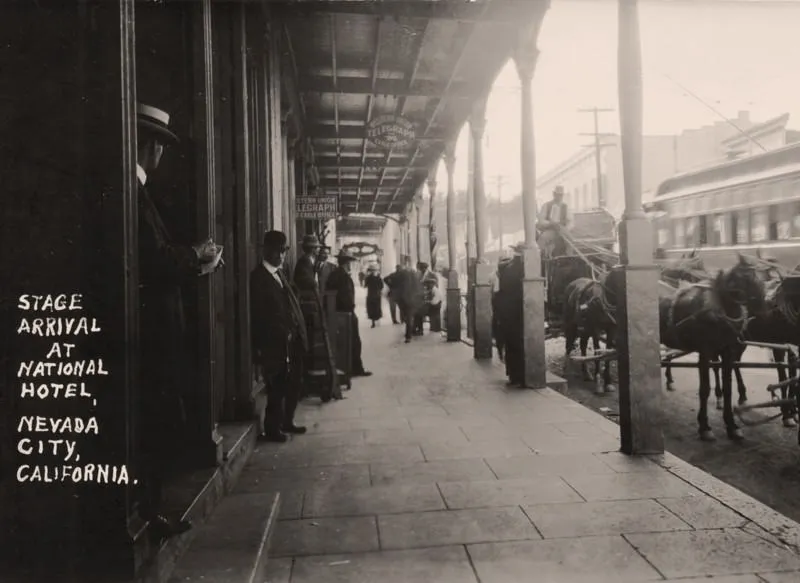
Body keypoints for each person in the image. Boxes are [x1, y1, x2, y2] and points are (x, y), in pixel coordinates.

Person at [136, 102, 222, 542]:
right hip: (148, 334)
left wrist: (193, 260)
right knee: (152, 421)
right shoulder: (132, 191)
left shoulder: (140, 192)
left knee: (156, 421)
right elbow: (152, 260)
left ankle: (151, 510)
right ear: (151, 146)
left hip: (154, 330)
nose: (161, 155)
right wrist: (196, 256)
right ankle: (148, 514)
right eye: (160, 146)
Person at [250, 230, 308, 443]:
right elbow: (258, 315)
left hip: (290, 341)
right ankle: (272, 429)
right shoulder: (258, 279)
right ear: (265, 251)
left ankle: (287, 421)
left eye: (283, 251)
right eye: (276, 251)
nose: (281, 256)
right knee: (277, 386)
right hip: (273, 343)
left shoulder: (280, 275)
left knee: (293, 382)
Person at [325, 250, 372, 377]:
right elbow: (343, 296)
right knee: (353, 342)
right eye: (349, 262)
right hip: (345, 313)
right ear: (346, 263)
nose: (350, 265)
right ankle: (354, 369)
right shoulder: (342, 276)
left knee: (351, 341)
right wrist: (349, 308)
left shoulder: (335, 274)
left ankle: (352, 367)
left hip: (342, 312)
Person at [498, 243, 525, 386]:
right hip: (518, 311)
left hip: (506, 311)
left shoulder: (506, 267)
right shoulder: (522, 268)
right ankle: (521, 376)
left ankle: (512, 375)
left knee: (511, 344)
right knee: (520, 344)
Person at [537, 185, 573, 261]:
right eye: (557, 194)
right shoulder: (546, 205)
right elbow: (541, 220)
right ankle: (541, 258)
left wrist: (566, 229)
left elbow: (570, 221)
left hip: (562, 229)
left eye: (561, 195)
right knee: (543, 238)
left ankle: (569, 257)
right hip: (550, 229)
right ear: (554, 194)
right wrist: (550, 223)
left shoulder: (565, 206)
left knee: (570, 240)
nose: (559, 197)